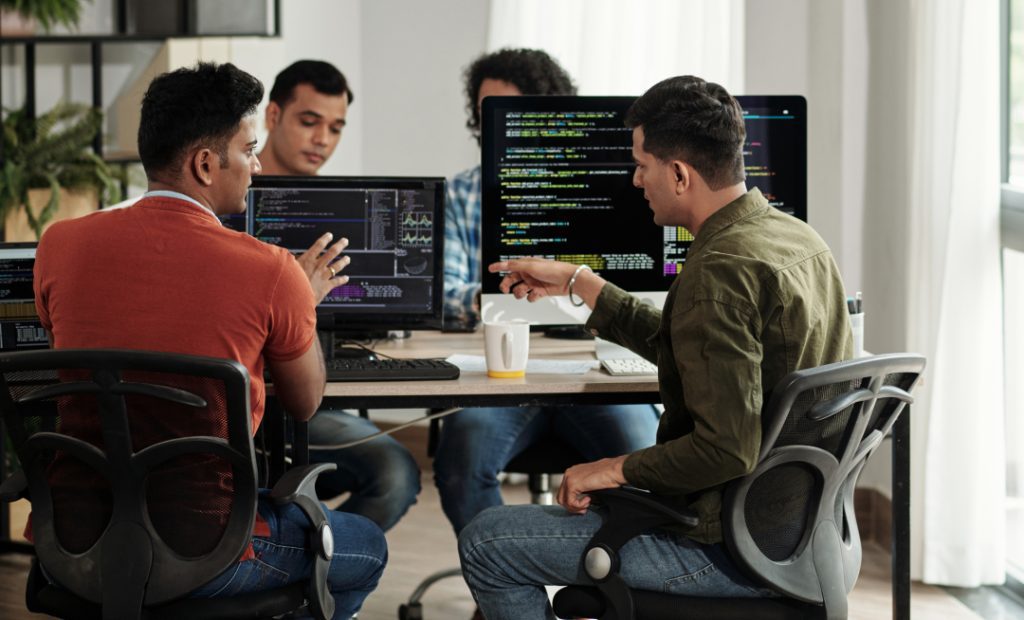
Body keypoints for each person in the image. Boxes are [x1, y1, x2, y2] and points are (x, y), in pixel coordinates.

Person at [457, 75, 852, 619]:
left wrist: (610, 469)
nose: (636, 179)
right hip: (802, 536)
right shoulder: (796, 238)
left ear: (681, 174)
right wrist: (583, 284)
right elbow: (692, 347)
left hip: (726, 550)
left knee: (487, 543)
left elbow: (725, 449)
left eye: (642, 164)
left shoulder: (718, 271)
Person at [33, 61, 386, 618]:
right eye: (249, 150)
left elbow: (82, 356)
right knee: (365, 546)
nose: (257, 164)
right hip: (209, 550)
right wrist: (302, 302)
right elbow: (306, 400)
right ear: (204, 164)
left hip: (74, 543)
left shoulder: (59, 243)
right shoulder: (271, 269)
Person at [436, 48, 660, 538]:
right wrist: (510, 297)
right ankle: (506, 585)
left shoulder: (616, 190)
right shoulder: (462, 194)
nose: (495, 125)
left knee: (648, 459)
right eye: (485, 113)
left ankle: (600, 583)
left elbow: (639, 295)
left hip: (597, 370)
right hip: (503, 376)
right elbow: (447, 295)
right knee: (460, 463)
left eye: (511, 114)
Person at [258, 59, 421, 532]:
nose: (322, 140)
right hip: (240, 401)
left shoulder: (341, 211)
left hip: (316, 396)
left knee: (396, 474)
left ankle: (317, 569)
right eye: (309, 122)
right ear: (273, 116)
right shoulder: (230, 201)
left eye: (335, 128)